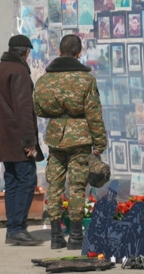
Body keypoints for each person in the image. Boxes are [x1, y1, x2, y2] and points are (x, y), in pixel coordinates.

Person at [33, 35, 107, 250]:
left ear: (59, 51)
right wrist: (99, 143)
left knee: (54, 185)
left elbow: (38, 108)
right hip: (80, 139)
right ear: (79, 53)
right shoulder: (86, 80)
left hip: (55, 138)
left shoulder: (44, 80)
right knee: (76, 186)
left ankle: (56, 236)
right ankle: (75, 237)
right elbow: (94, 114)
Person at [0, 35, 44, 247]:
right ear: (26, 53)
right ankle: (17, 229)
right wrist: (29, 141)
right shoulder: (18, 72)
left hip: (3, 137)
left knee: (11, 183)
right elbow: (23, 110)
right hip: (18, 138)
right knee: (26, 182)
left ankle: (13, 229)